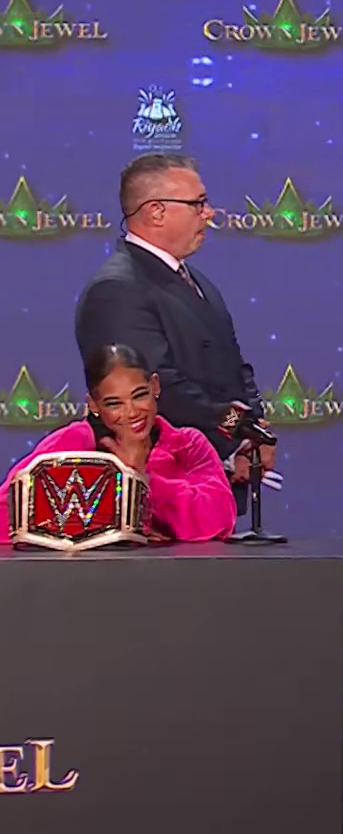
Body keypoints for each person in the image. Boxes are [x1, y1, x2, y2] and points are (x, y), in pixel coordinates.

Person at [73, 154, 281, 543]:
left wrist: (254, 430)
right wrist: (239, 432)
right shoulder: (117, 289)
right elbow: (160, 388)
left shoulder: (195, 281)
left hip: (204, 491)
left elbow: (235, 366)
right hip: (158, 500)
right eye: (198, 203)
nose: (210, 213)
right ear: (156, 211)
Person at [7, 344, 236, 544]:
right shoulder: (73, 443)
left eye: (139, 395)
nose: (132, 412)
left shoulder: (188, 444)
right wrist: (107, 530)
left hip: (174, 576)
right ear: (94, 405)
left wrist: (143, 478)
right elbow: (7, 511)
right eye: (114, 403)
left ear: (155, 386)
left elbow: (220, 519)